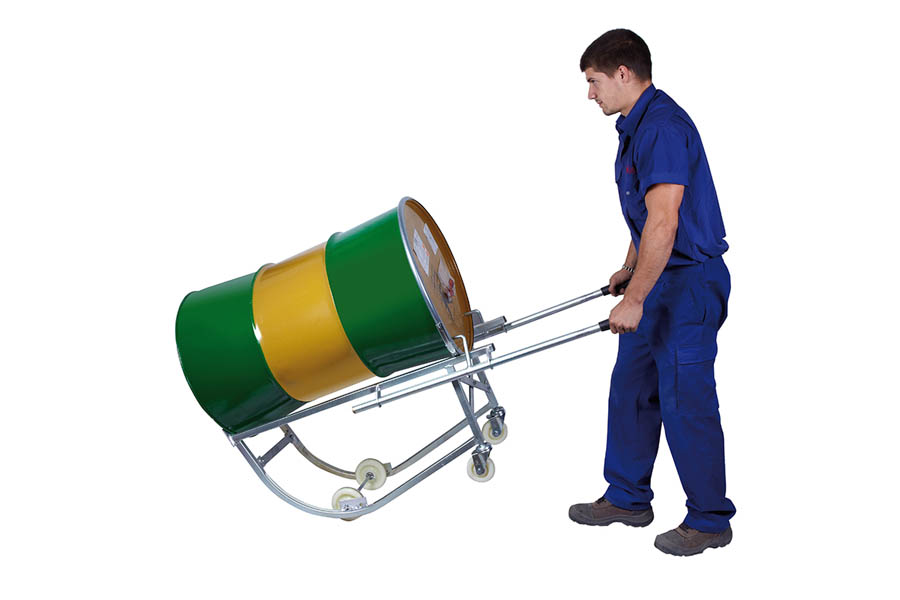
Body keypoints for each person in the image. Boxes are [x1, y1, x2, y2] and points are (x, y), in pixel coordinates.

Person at [567, 29, 736, 556]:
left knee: (686, 401)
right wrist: (630, 269)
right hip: (657, 277)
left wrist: (634, 299)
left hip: (688, 286)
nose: (589, 94)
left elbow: (665, 221)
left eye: (594, 81)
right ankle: (627, 497)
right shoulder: (635, 124)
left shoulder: (661, 127)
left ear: (623, 74)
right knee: (632, 389)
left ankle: (709, 520)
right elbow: (646, 217)